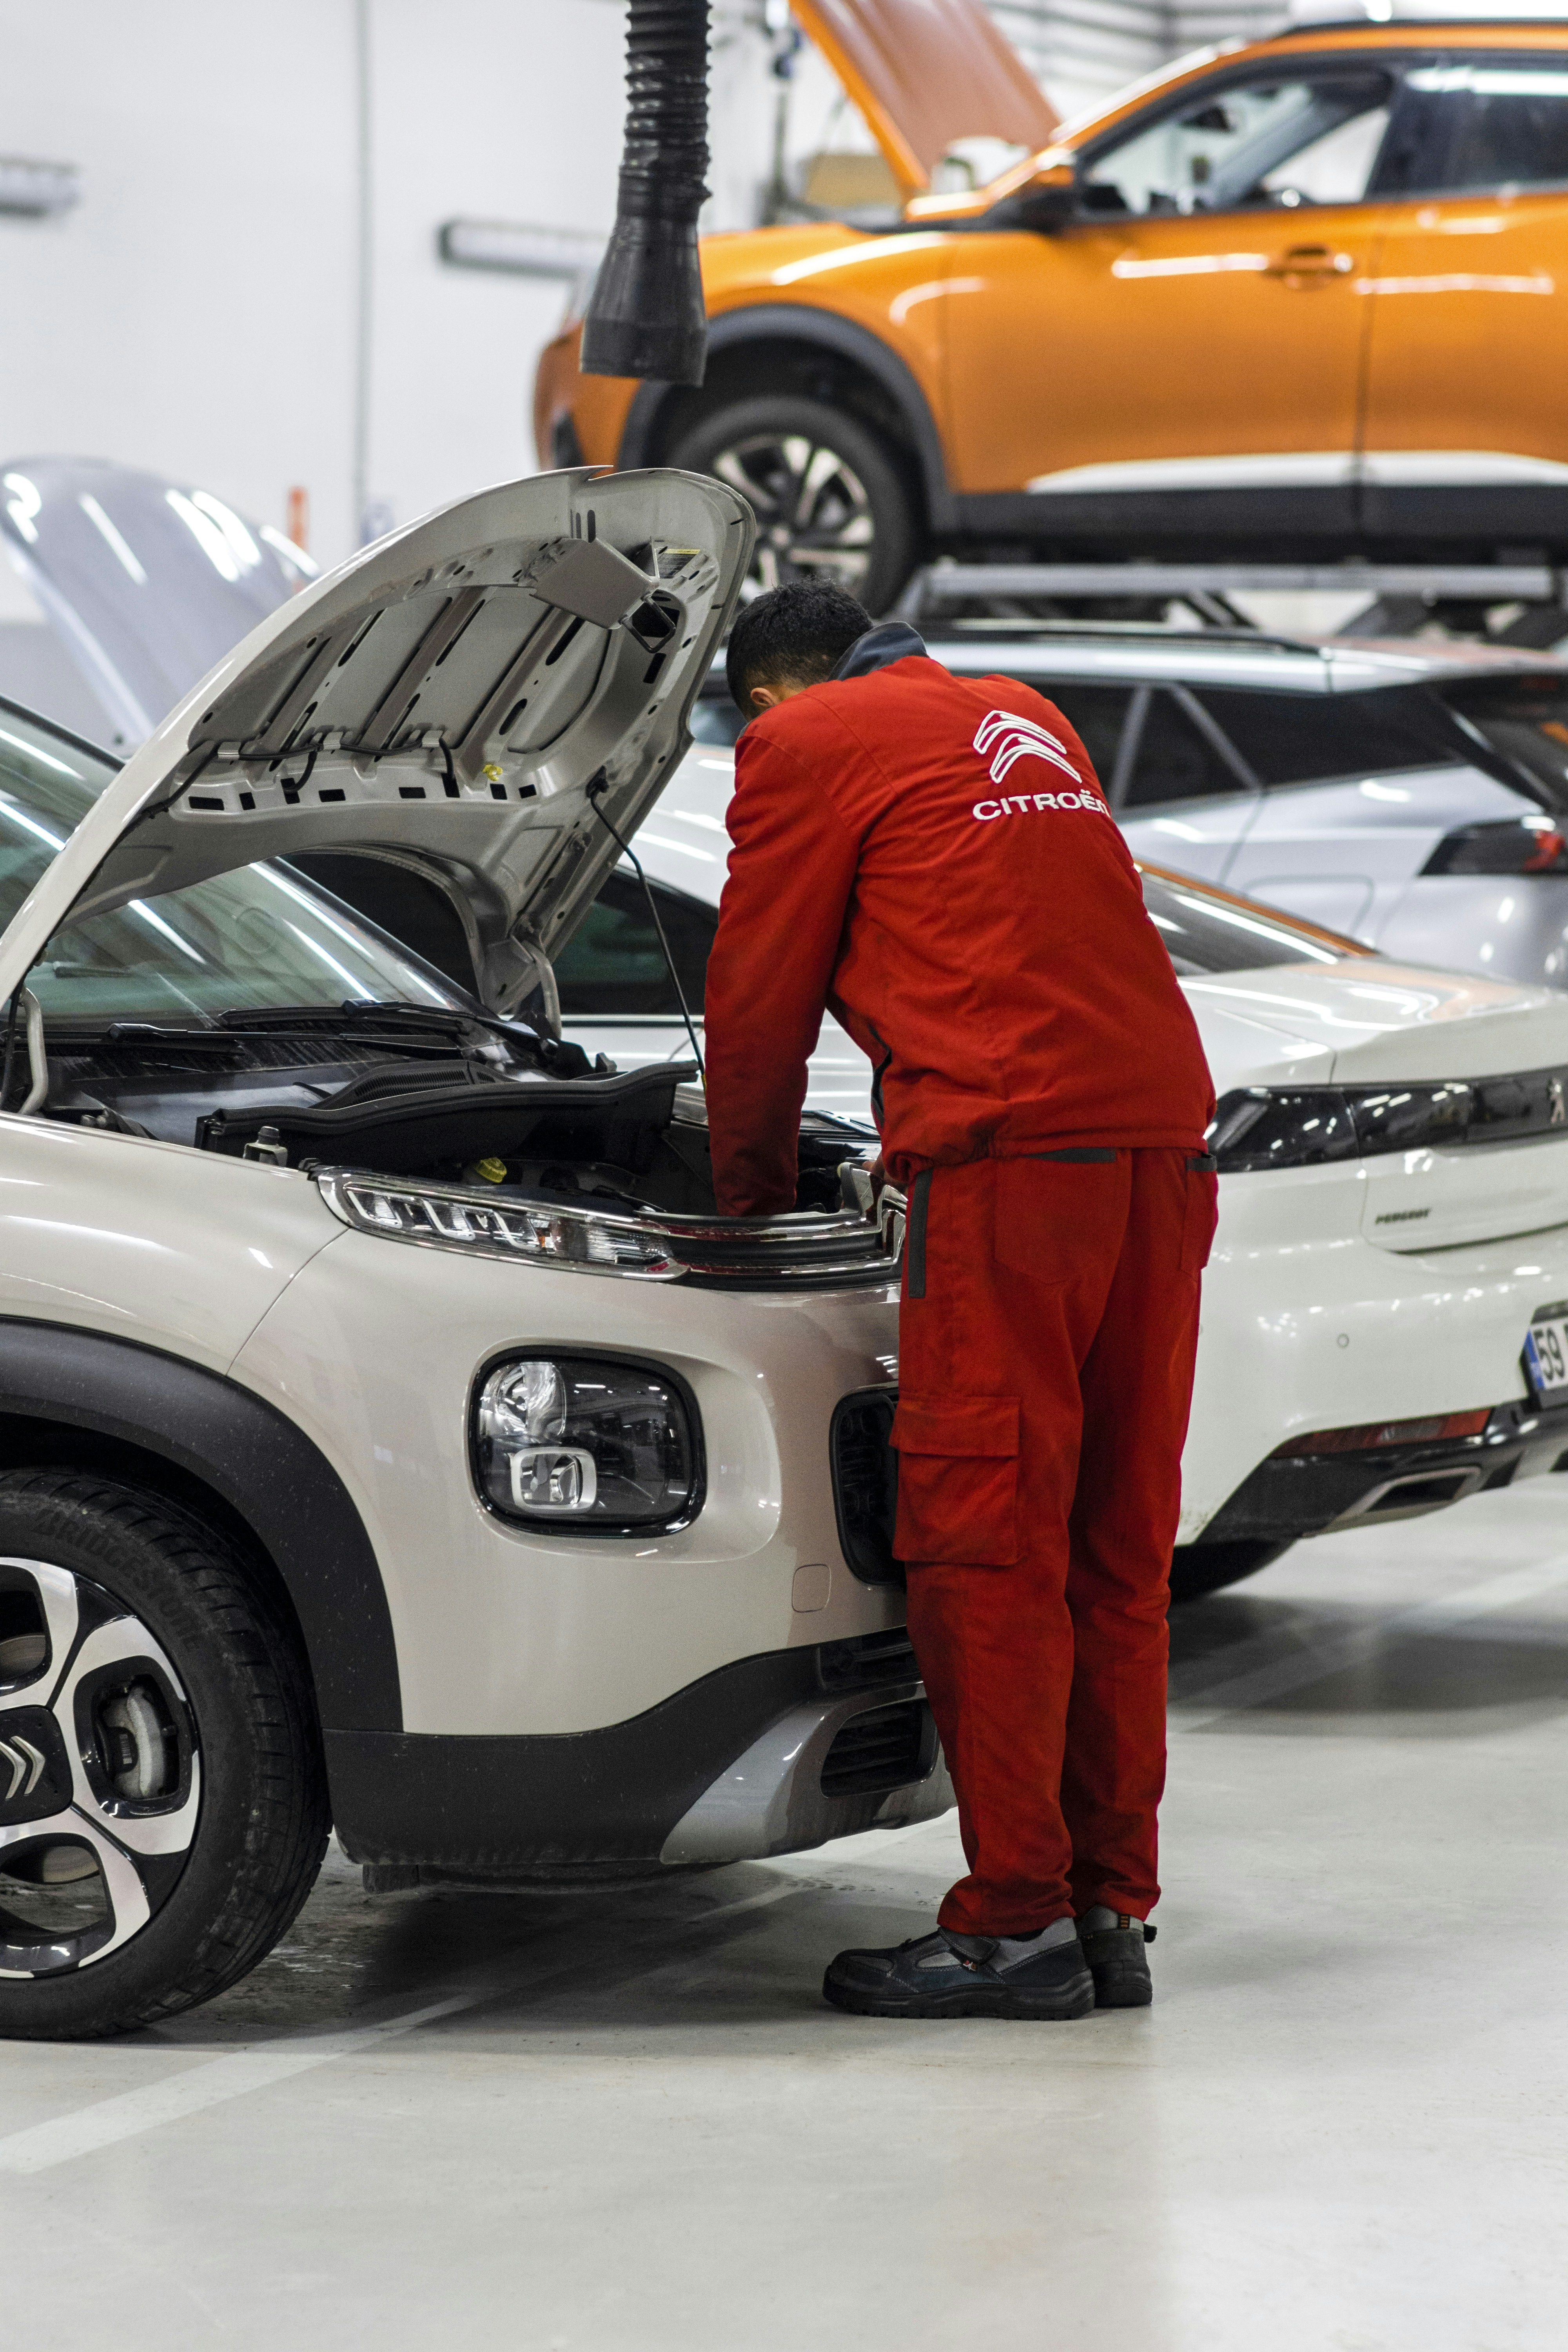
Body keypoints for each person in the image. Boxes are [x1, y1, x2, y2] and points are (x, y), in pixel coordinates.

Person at [701, 579, 1217, 2020]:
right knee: (1113, 1550)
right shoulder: (1021, 714)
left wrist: (744, 1201)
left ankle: (1013, 1925)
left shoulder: (805, 741)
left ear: (769, 694)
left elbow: (756, 996)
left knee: (984, 1542)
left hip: (1012, 1171)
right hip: (1162, 1156)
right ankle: (1109, 1906)